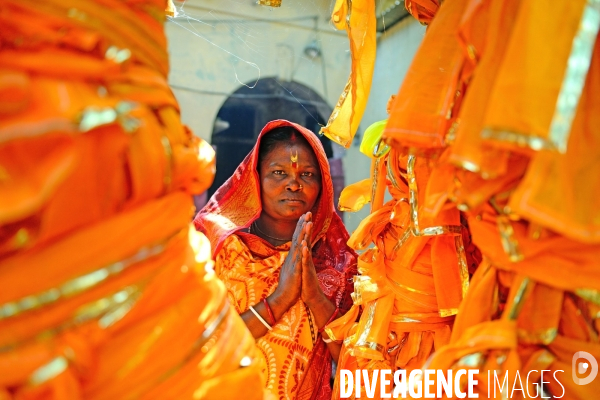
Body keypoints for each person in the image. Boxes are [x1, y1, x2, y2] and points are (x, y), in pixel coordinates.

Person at [195, 119, 358, 400]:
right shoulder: (217, 248)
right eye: (278, 172)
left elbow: (358, 363)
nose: (294, 184)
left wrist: (316, 298)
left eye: (307, 174)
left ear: (323, 184)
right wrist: (281, 297)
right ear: (255, 178)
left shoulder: (339, 261)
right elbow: (201, 345)